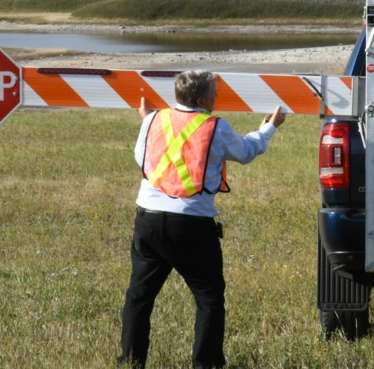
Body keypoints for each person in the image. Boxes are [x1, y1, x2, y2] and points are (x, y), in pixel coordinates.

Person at [118, 70, 287, 369]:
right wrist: (269, 127)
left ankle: (129, 363)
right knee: (209, 299)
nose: (217, 97)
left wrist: (147, 119)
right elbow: (247, 152)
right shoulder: (215, 127)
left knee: (139, 298)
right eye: (214, 93)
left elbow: (140, 158)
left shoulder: (153, 120)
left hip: (147, 219)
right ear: (200, 99)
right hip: (191, 225)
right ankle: (205, 364)